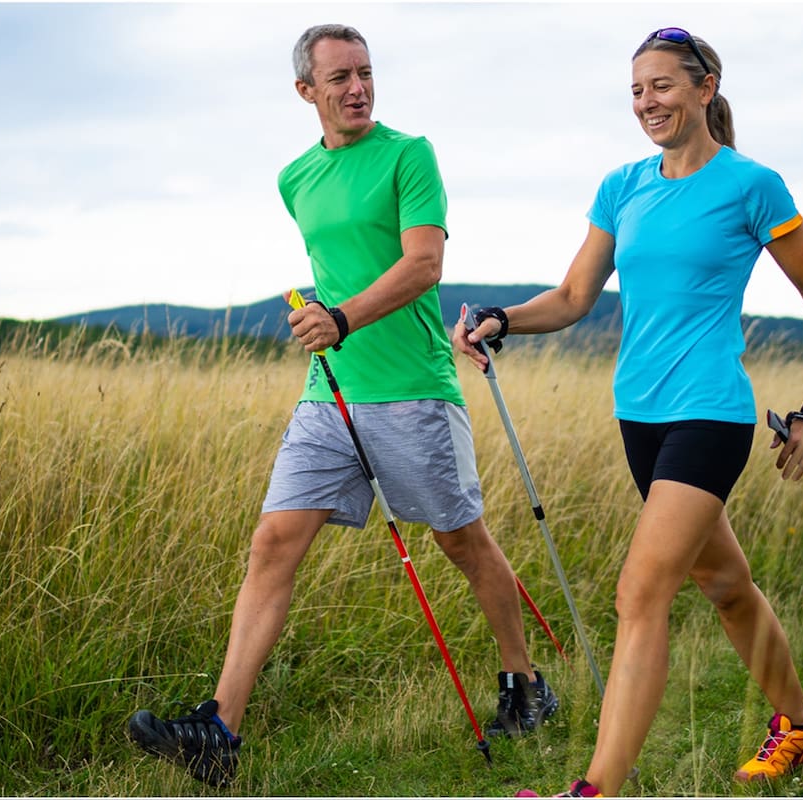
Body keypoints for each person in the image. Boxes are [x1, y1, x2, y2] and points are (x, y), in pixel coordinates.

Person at [126, 23, 557, 788]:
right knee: (273, 543)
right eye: (339, 79)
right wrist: (321, 317)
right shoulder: (295, 178)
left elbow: (424, 265)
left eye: (365, 73)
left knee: (463, 544)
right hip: (330, 394)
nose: (357, 88)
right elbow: (335, 269)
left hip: (415, 391)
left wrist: (345, 317)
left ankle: (525, 686)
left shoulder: (408, 154)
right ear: (306, 92)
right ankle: (219, 732)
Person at [453, 27, 803, 798]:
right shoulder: (622, 186)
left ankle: (594, 789)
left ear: (705, 87)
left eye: (661, 85)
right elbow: (571, 299)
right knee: (725, 586)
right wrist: (502, 316)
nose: (646, 102)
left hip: (710, 413)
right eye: (636, 90)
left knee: (640, 592)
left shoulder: (751, 185)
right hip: (639, 417)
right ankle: (802, 728)